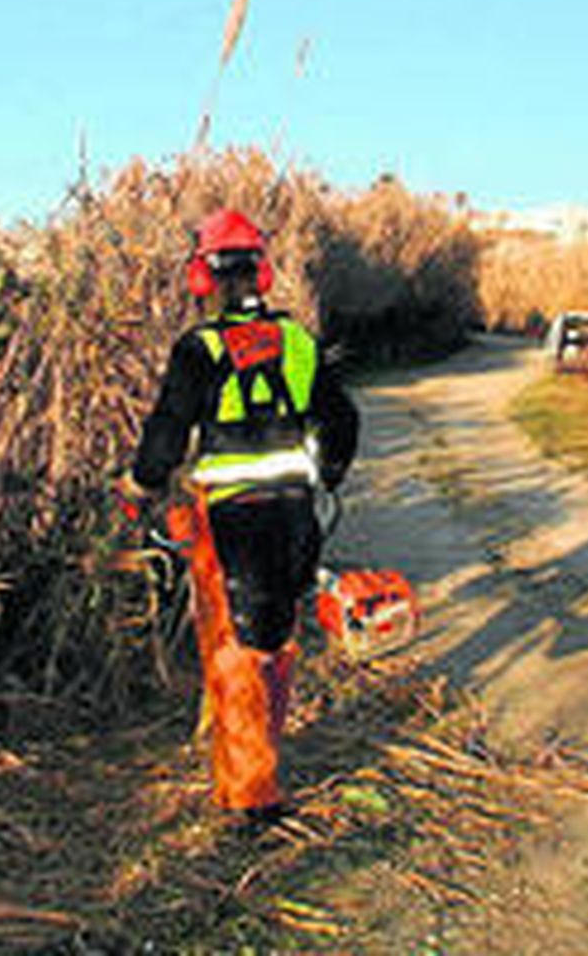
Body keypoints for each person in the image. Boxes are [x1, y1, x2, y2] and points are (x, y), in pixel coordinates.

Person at [125, 207, 358, 823]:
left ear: (202, 278)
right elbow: (341, 422)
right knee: (277, 638)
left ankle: (252, 795)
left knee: (236, 652)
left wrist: (140, 482)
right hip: (295, 516)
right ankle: (255, 768)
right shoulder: (299, 342)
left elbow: (167, 434)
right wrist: (326, 475)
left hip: (230, 520)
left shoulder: (198, 348)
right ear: (264, 273)